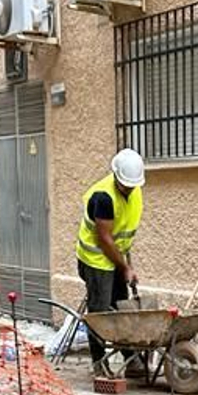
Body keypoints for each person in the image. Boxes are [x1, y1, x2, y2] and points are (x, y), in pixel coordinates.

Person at [74, 148, 146, 373]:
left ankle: (130, 359)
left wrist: (125, 264)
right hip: (95, 260)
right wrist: (125, 267)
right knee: (100, 312)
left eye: (132, 185)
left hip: (115, 257)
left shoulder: (134, 190)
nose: (128, 188)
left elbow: (123, 230)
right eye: (125, 184)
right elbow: (104, 239)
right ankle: (99, 363)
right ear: (115, 175)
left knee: (121, 306)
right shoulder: (103, 197)